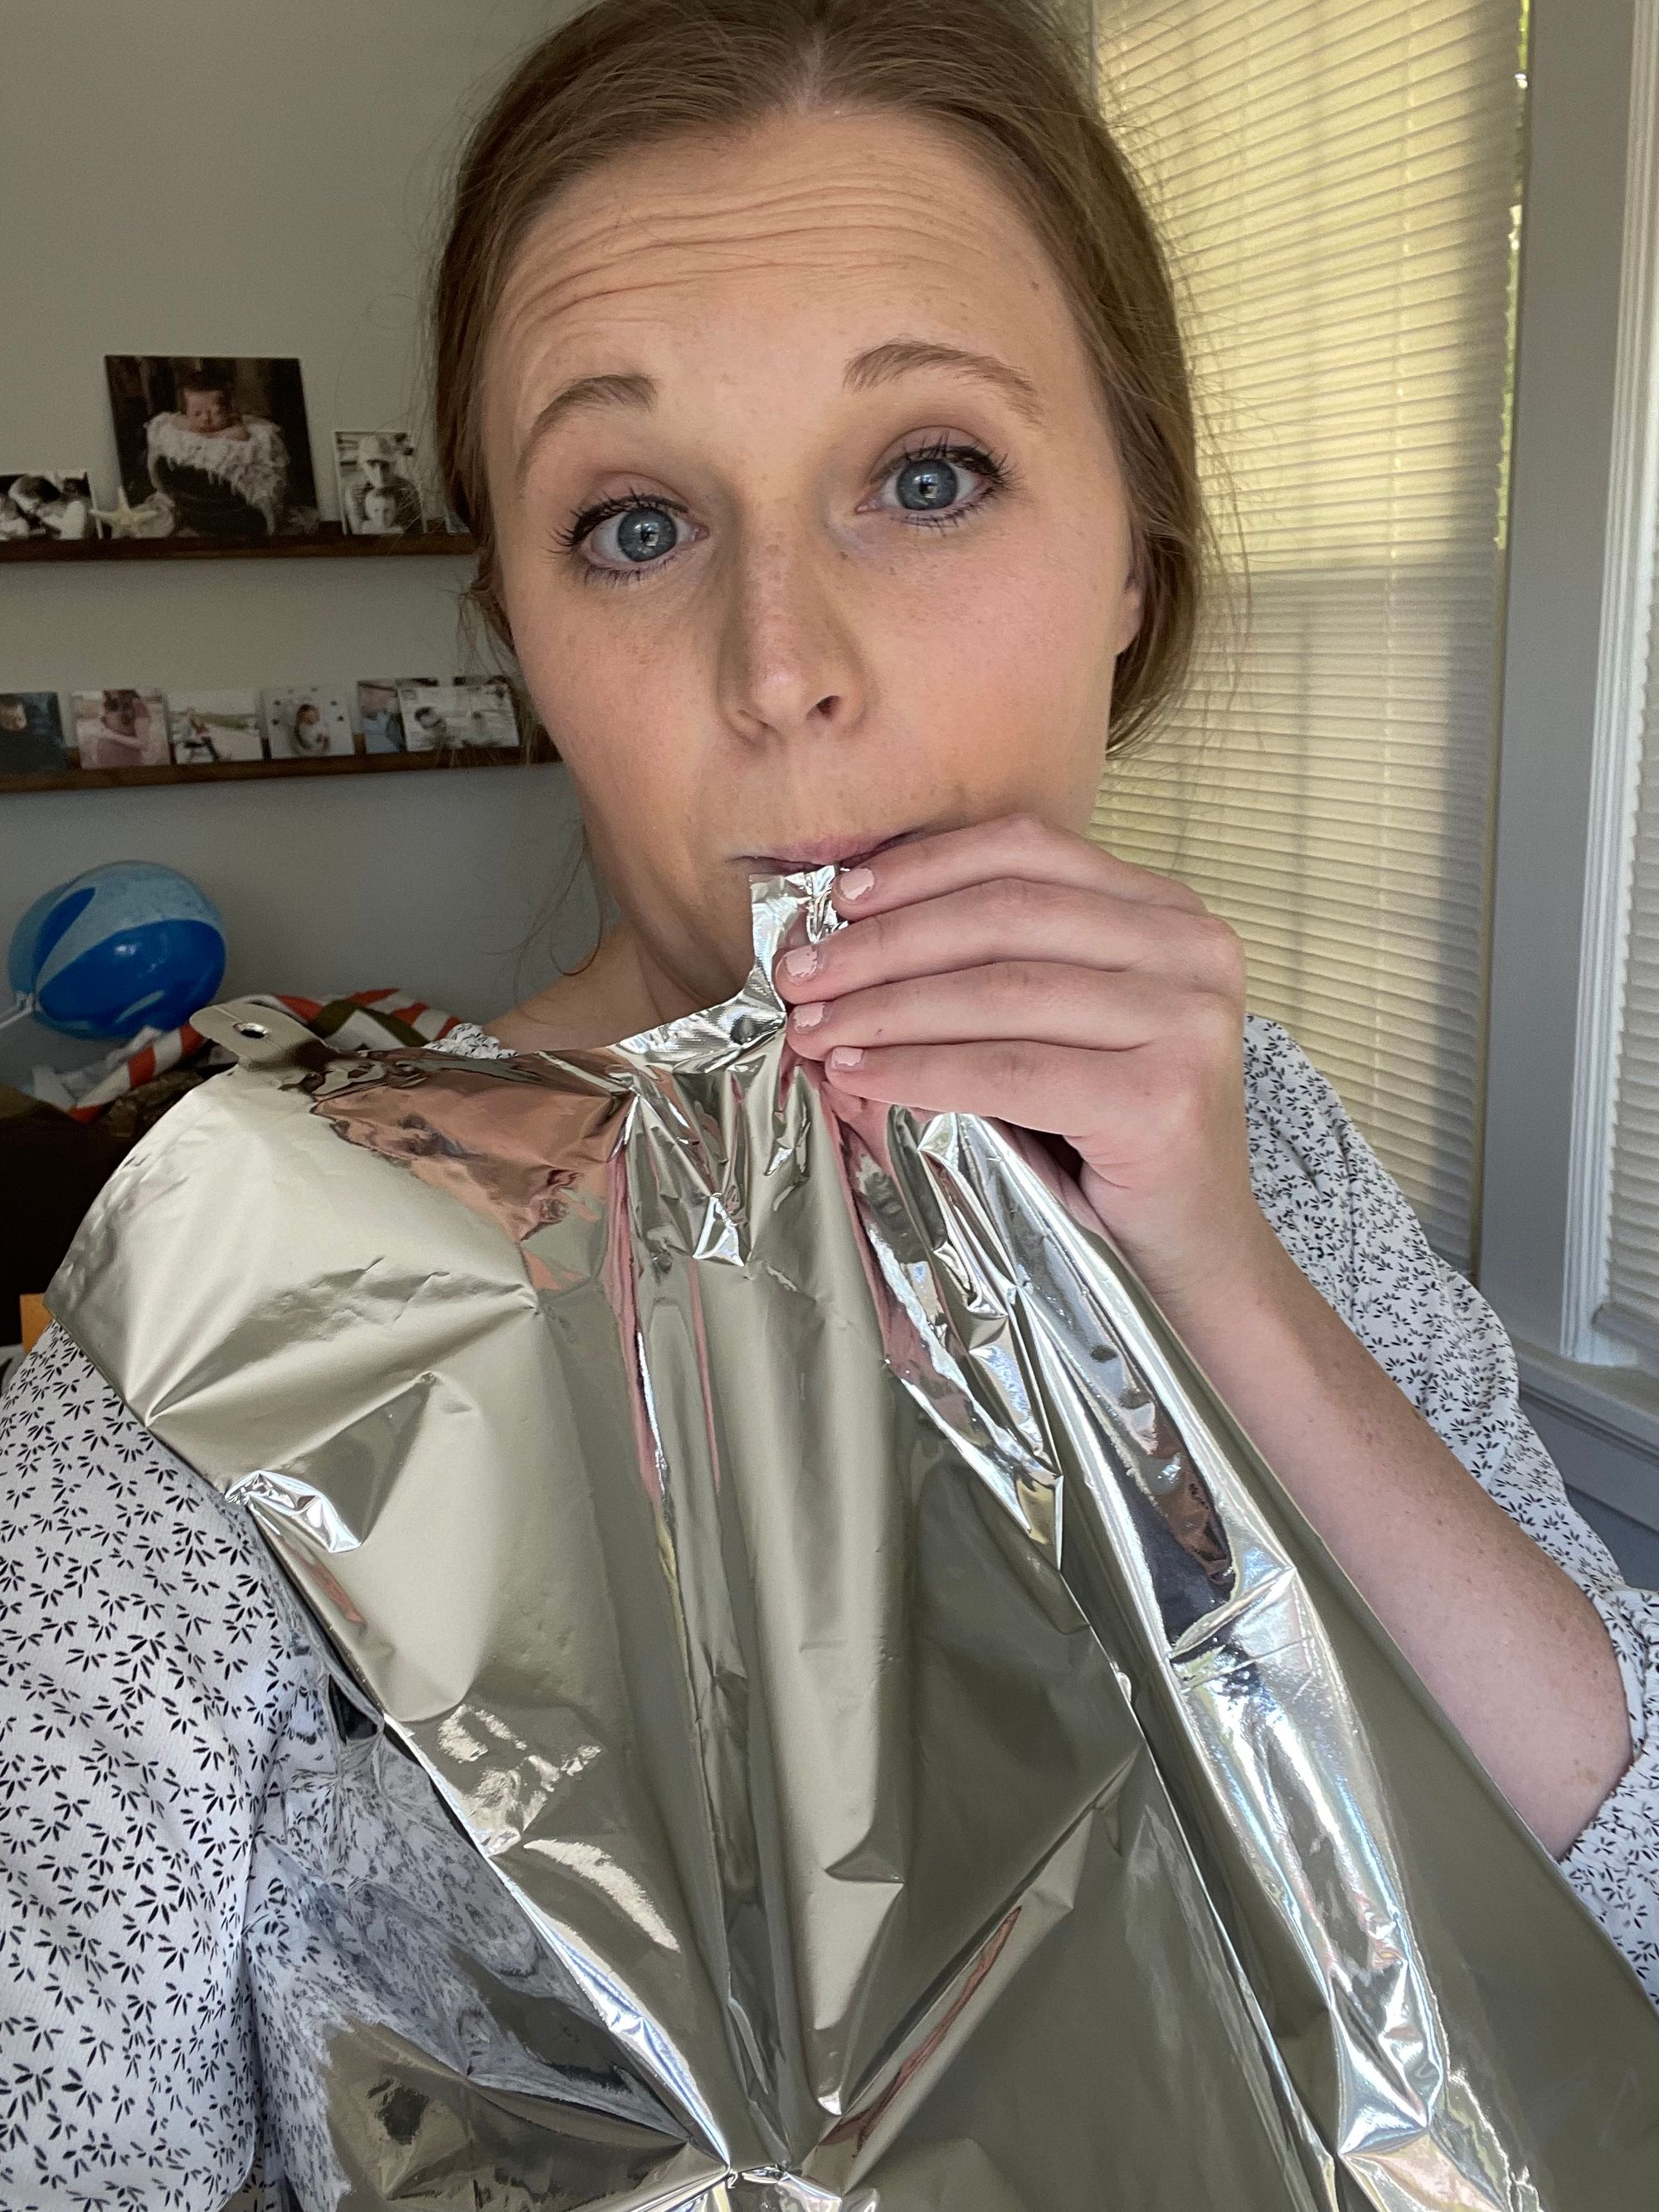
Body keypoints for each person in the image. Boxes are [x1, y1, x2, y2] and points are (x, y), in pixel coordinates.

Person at [2, 0, 1657, 2197]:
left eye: (930, 474)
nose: (782, 665)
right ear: (518, 625)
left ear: (1136, 551)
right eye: (634, 523)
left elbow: (1619, 1899)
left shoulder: (1253, 1131)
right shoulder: (210, 1366)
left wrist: (1221, 1269)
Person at [143, 362, 291, 537]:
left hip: (233, 508)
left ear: (229, 411)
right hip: (195, 497)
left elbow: (241, 434)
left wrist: (212, 436)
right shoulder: (182, 425)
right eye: (197, 413)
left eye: (215, 412)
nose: (206, 419)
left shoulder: (235, 426)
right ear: (187, 413)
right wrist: (191, 425)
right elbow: (175, 422)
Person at [342, 430, 426, 533]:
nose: (379, 472)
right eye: (372, 464)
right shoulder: (355, 492)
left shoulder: (407, 490)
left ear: (393, 465)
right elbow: (358, 534)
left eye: (385, 465)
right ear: (361, 466)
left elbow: (417, 532)